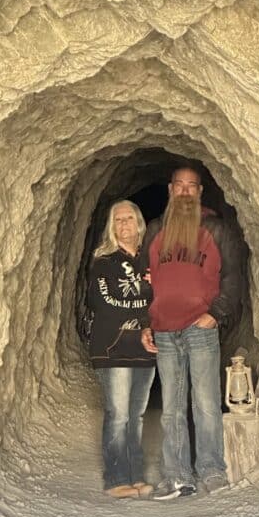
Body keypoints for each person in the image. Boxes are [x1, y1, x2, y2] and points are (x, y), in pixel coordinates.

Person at [139, 164, 242, 500]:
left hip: (200, 327)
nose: (185, 192)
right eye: (179, 185)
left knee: (207, 403)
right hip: (165, 331)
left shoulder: (215, 229)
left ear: (199, 192)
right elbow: (143, 280)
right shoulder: (155, 231)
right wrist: (145, 322)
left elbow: (233, 276)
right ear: (170, 190)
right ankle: (177, 475)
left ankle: (212, 469)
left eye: (191, 186)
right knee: (171, 407)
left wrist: (216, 314)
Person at [87, 200, 156, 499]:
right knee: (119, 414)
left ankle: (136, 475)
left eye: (129, 218)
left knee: (136, 415)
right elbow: (106, 303)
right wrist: (146, 295)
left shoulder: (153, 259)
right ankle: (116, 479)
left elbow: (166, 298)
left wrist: (156, 290)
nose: (124, 224)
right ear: (112, 227)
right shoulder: (104, 261)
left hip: (144, 347)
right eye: (118, 220)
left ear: (139, 223)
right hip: (112, 346)